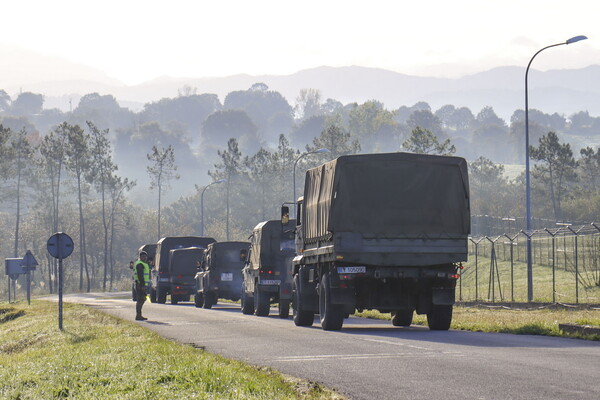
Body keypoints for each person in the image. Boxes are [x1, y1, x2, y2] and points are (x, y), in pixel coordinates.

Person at [134, 251, 150, 321]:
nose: (145, 258)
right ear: (140, 257)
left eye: (145, 256)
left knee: (143, 299)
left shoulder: (143, 264)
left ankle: (139, 314)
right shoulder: (140, 264)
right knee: (140, 299)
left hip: (141, 284)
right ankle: (138, 315)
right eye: (143, 256)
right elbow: (140, 276)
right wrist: (143, 285)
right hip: (140, 285)